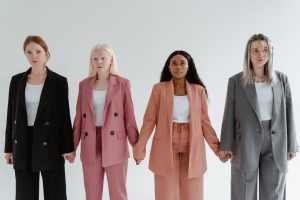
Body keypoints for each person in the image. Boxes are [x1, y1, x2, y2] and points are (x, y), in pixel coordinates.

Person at [133, 50, 227, 200]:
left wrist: (218, 150)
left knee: (193, 194)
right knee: (165, 193)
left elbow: (205, 123)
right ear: (168, 67)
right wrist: (139, 149)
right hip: (165, 144)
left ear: (188, 67)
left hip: (192, 145)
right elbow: (149, 120)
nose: (178, 67)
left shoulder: (198, 91)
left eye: (182, 63)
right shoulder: (159, 89)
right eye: (174, 64)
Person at [220, 33, 299, 200]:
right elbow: (229, 114)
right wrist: (226, 145)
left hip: (276, 142)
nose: (260, 55)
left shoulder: (281, 80)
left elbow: (289, 113)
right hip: (245, 141)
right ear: (248, 54)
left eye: (265, 50)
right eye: (255, 50)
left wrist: (292, 145)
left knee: (274, 191)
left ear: (270, 53)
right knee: (244, 191)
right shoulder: (236, 81)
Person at [4, 35, 74, 200]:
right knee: (25, 194)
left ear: (46, 54)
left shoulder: (58, 82)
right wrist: (8, 148)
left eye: (38, 51)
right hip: (23, 140)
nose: (33, 56)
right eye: (29, 52)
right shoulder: (16, 81)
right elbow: (10, 115)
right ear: (25, 54)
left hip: (51, 141)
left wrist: (68, 147)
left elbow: (65, 117)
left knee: (55, 192)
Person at [72, 43, 139, 200]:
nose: (99, 61)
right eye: (95, 58)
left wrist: (137, 146)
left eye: (103, 58)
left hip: (115, 142)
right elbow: (78, 118)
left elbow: (129, 117)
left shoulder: (122, 83)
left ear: (111, 60)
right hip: (90, 142)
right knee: (92, 194)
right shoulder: (84, 85)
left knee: (118, 194)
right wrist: (72, 146)